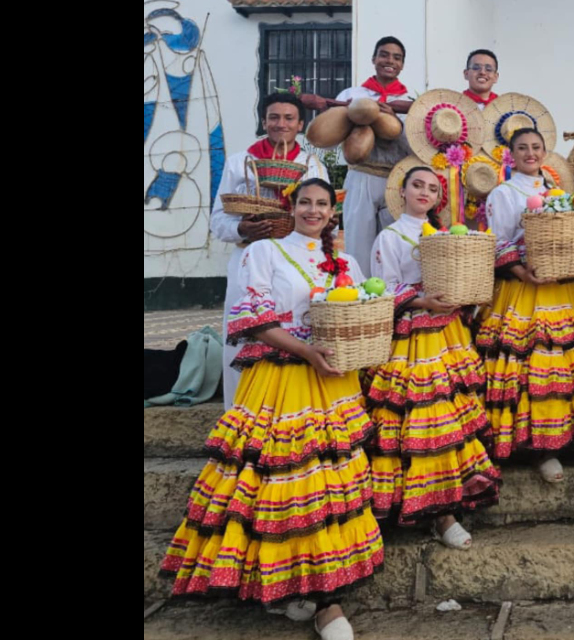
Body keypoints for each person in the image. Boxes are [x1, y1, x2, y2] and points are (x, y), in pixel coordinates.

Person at [161, 179, 380, 640]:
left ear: (332, 212)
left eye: (322, 204)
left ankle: (323, 595)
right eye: (305, 203)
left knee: (327, 487)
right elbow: (253, 322)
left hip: (334, 383)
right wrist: (306, 352)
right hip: (283, 379)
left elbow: (364, 312)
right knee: (282, 484)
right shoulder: (263, 253)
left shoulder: (348, 262)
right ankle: (297, 588)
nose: (314, 211)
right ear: (291, 207)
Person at [363, 166, 501, 549]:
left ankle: (449, 501)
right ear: (402, 192)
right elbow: (382, 291)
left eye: (432, 188)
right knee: (426, 426)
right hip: (414, 340)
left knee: (454, 422)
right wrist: (422, 299)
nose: (424, 192)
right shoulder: (388, 237)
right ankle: (439, 515)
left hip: (450, 335)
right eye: (417, 186)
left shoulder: (443, 234)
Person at [478, 128, 574, 484]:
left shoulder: (554, 191)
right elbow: (497, 242)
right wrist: (521, 271)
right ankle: (532, 447)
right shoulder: (502, 193)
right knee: (528, 368)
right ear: (510, 155)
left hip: (559, 287)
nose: (530, 153)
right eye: (522, 148)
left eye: (536, 147)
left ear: (545, 152)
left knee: (560, 367)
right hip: (521, 289)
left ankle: (559, 441)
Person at [211, 92, 328, 409]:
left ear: (301, 124)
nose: (281, 124)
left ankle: (295, 413)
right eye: (274, 117)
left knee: (299, 330)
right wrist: (243, 228)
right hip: (250, 256)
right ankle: (241, 418)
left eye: (289, 118)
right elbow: (218, 219)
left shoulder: (311, 165)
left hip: (299, 262)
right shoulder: (239, 163)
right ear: (263, 121)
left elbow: (325, 215)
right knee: (244, 333)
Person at [302, 36, 415, 271]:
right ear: (374, 59)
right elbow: (330, 141)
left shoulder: (411, 102)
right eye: (384, 54)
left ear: (402, 65)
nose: (390, 61)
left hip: (398, 180)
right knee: (358, 245)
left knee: (395, 247)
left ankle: (396, 302)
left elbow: (414, 147)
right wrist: (356, 115)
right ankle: (360, 299)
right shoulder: (350, 95)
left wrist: (392, 117)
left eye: (397, 57)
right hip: (361, 175)